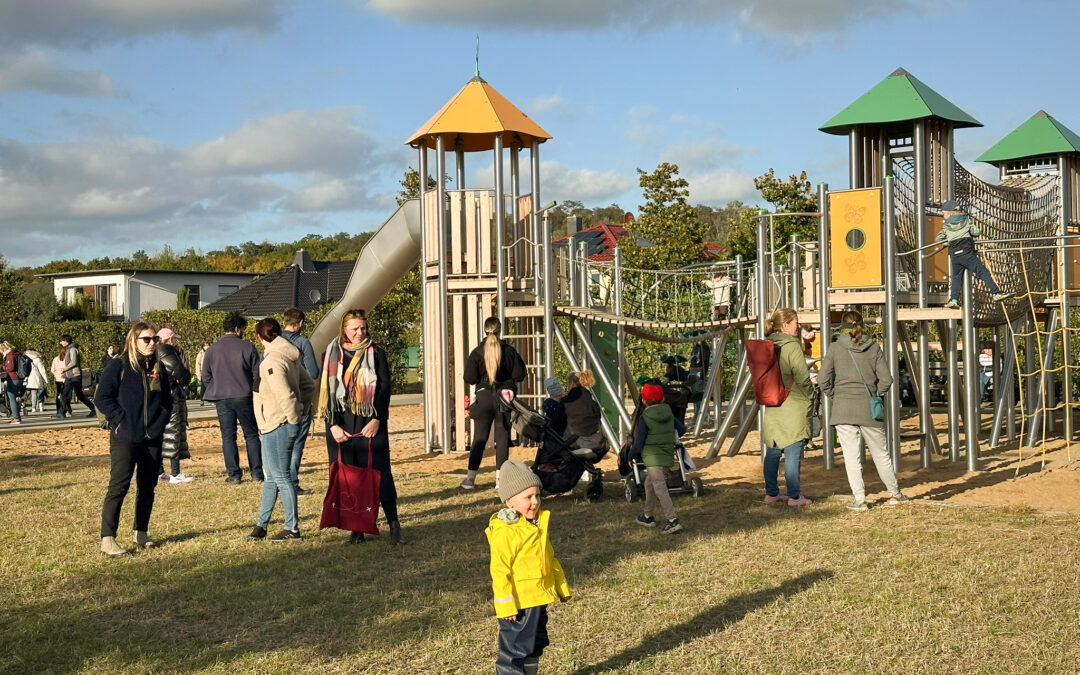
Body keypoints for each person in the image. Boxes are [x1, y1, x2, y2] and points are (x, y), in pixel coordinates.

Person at [315, 308, 404, 545]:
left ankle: (394, 525)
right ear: (344, 330)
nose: (359, 332)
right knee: (349, 477)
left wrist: (377, 420)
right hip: (340, 425)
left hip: (370, 423)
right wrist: (332, 425)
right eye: (354, 328)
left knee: (380, 474)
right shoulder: (330, 354)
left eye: (362, 328)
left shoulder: (376, 353)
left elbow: (384, 389)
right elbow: (326, 394)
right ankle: (356, 529)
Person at [485, 459, 571, 675]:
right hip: (520, 604)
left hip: (538, 600)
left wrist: (561, 587)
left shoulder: (536, 525)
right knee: (514, 651)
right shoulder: (506, 532)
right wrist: (506, 606)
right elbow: (500, 571)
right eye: (528, 497)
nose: (535, 502)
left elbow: (550, 559)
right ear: (509, 502)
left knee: (535, 645)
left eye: (537, 495)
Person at [95, 322, 173, 557]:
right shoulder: (118, 365)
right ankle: (108, 538)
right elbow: (102, 398)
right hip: (126, 436)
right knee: (119, 486)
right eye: (146, 340)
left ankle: (141, 531)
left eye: (154, 340)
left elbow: (168, 400)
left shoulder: (158, 367)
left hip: (152, 437)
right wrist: (121, 421)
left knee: (148, 486)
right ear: (133, 341)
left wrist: (160, 422)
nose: (151, 344)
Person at [817, 310, 908, 511]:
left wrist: (835, 395)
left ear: (842, 327)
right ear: (862, 325)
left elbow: (823, 379)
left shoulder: (834, 348)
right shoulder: (873, 347)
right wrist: (876, 395)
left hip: (842, 408)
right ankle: (895, 494)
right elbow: (887, 379)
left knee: (851, 457)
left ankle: (860, 500)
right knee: (881, 454)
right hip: (869, 408)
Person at [248, 317, 315, 542]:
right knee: (272, 477)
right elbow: (308, 385)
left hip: (277, 424)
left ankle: (292, 528)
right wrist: (302, 409)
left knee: (282, 476)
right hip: (275, 424)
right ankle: (261, 525)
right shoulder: (290, 355)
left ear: (260, 337)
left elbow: (284, 394)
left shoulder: (272, 361)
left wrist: (294, 418)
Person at [461, 317, 526, 490]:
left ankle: (470, 479)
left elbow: (469, 378)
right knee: (503, 438)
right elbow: (520, 374)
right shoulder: (509, 351)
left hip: (483, 397)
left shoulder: (477, 352)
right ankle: (500, 480)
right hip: (503, 398)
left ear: (485, 330)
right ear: (500, 330)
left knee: (479, 438)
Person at [761, 308, 815, 507]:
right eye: (795, 322)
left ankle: (771, 493)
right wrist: (811, 394)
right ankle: (794, 496)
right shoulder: (792, 346)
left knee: (773, 451)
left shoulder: (767, 344)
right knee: (793, 450)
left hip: (772, 403)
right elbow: (802, 375)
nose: (798, 325)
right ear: (785, 325)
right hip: (792, 404)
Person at [202, 313, 263, 484]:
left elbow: (205, 376)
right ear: (238, 329)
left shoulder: (212, 349)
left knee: (228, 436)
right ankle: (257, 473)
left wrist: (216, 387)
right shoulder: (248, 347)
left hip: (221, 397)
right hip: (244, 395)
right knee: (251, 434)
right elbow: (258, 374)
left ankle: (234, 474)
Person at [629, 383, 686, 534]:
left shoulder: (645, 418)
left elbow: (639, 441)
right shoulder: (669, 414)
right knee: (650, 484)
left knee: (660, 488)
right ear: (663, 399)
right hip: (667, 455)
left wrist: (631, 455)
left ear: (644, 401)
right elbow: (682, 430)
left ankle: (672, 520)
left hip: (652, 457)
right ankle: (648, 515)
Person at [936, 200, 1012, 309]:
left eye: (943, 213)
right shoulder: (966, 220)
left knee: (956, 277)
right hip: (967, 253)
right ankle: (996, 293)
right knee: (983, 272)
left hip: (955, 255)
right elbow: (976, 232)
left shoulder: (946, 226)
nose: (943, 216)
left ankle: (953, 300)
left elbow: (938, 238)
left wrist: (947, 241)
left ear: (949, 214)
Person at [281, 307, 319, 496]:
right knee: (297, 444)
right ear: (301, 324)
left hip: (278, 400)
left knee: (280, 442)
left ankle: (279, 481)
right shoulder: (303, 343)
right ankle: (292, 483)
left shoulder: (274, 342)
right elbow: (313, 373)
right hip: (299, 399)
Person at [155, 328, 193, 484]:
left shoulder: (152, 351)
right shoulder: (167, 352)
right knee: (174, 433)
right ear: (169, 340)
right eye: (173, 339)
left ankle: (159, 472)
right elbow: (182, 374)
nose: (175, 342)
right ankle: (175, 473)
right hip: (172, 397)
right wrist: (184, 381)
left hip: (158, 398)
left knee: (159, 435)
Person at [561, 370, 607, 454]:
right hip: (594, 443)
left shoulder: (566, 402)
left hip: (572, 443)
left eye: (568, 384)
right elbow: (598, 422)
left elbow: (556, 423)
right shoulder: (593, 404)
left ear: (572, 384)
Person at [59, 334, 96, 417]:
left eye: (62, 341)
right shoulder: (69, 349)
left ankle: (93, 409)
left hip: (75, 376)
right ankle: (62, 412)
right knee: (66, 394)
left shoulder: (72, 349)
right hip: (70, 376)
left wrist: (65, 369)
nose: (60, 343)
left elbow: (74, 362)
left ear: (66, 341)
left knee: (73, 394)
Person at [0, 342, 24, 424]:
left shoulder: (10, 355)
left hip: (13, 378)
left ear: (4, 349)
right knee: (16, 398)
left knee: (12, 399)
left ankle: (16, 418)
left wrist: (3, 367)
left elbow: (10, 368)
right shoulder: (17, 353)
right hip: (20, 378)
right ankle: (18, 416)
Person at [23, 348, 49, 414]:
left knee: (26, 392)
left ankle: (22, 404)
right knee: (34, 393)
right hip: (35, 377)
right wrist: (46, 379)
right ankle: (34, 408)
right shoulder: (37, 359)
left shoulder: (24, 358)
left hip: (26, 377)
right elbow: (42, 370)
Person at [51, 347, 71, 418]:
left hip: (58, 379)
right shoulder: (68, 359)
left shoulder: (56, 359)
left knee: (58, 394)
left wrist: (56, 374)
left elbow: (52, 370)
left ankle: (58, 410)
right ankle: (67, 410)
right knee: (66, 394)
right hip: (66, 378)